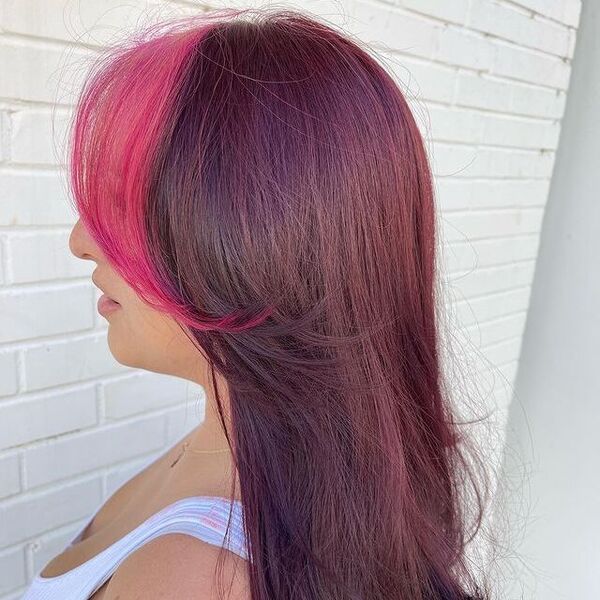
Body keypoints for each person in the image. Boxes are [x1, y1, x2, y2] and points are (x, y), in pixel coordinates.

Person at [21, 6, 492, 600]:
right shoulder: (234, 452)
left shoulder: (191, 578)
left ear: (254, 245)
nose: (80, 242)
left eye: (118, 203)